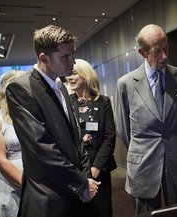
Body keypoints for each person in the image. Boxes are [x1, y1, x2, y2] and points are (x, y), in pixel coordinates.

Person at [5, 25, 100, 217]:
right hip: (50, 196)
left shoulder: (61, 85)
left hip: (75, 193)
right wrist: (81, 182)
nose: (72, 62)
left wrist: (85, 177)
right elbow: (42, 149)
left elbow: (76, 138)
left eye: (72, 54)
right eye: (65, 57)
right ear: (43, 58)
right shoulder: (20, 89)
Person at [115, 24, 177, 215]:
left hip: (176, 159)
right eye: (157, 51)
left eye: (166, 47)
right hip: (143, 165)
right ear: (142, 52)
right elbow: (124, 129)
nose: (165, 56)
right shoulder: (126, 84)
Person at [68, 58, 117, 217]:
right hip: (76, 171)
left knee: (101, 211)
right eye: (69, 73)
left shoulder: (103, 102)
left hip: (99, 168)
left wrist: (95, 169)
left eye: (74, 73)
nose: (70, 77)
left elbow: (109, 137)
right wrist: (81, 175)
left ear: (86, 75)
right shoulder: (66, 103)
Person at [0, 70, 24, 217]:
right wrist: (26, 185)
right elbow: (0, 160)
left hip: (37, 179)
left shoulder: (32, 114)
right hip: (9, 182)